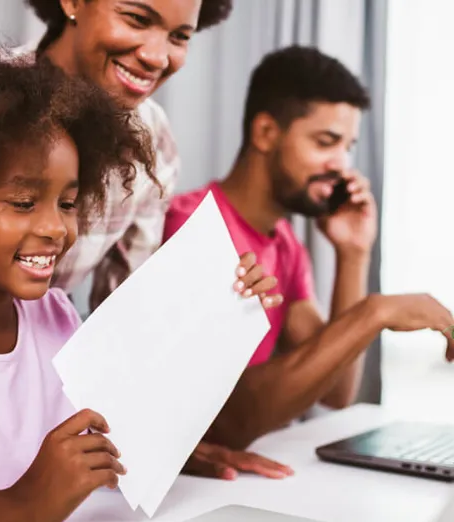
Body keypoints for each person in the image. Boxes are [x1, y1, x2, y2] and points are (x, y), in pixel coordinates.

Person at [0, 31, 282, 522]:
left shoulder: (55, 318)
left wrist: (221, 306)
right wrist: (23, 507)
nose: (54, 228)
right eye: (23, 202)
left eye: (67, 202)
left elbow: (113, 426)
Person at [164, 46, 454, 453]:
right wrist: (376, 312)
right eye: (326, 141)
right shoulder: (191, 226)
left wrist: (354, 253)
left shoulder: (286, 246)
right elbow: (226, 421)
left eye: (348, 146)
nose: (341, 163)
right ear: (266, 133)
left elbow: (335, 391)